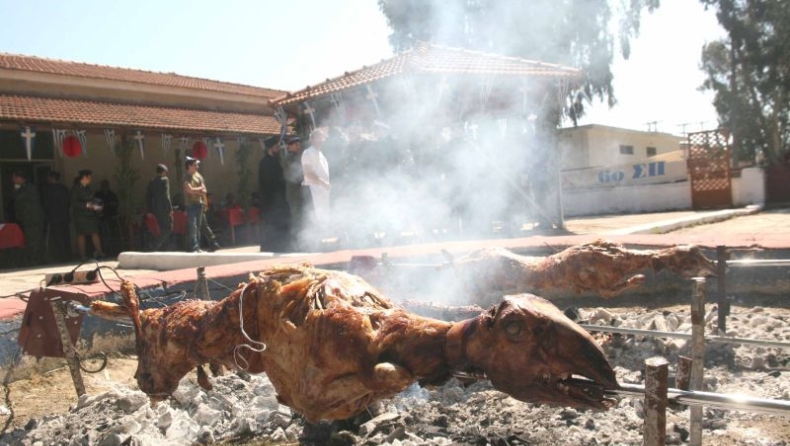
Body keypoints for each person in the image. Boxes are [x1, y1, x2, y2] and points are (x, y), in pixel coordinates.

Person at [258, 136, 290, 252]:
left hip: (278, 200)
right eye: (276, 147)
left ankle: (281, 246)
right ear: (270, 149)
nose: (278, 149)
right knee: (270, 227)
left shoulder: (275, 161)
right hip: (270, 202)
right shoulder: (265, 162)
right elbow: (270, 181)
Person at [70, 169, 106, 261]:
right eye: (89, 177)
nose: (91, 179)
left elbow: (91, 199)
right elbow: (73, 202)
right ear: (84, 177)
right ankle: (83, 255)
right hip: (80, 215)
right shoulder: (76, 188)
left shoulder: (88, 188)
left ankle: (100, 252)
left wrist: (97, 206)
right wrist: (86, 205)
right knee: (81, 235)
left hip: (90, 214)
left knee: (94, 232)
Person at [11, 171, 45, 265]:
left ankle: (36, 260)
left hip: (32, 219)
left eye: (14, 177)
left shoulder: (29, 188)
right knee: (29, 240)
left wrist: (16, 189)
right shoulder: (25, 188)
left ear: (20, 178)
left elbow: (18, 198)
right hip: (27, 220)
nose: (13, 180)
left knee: (34, 240)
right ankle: (33, 259)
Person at [283, 136, 311, 247]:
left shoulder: (300, 157)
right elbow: (294, 175)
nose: (299, 146)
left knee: (305, 217)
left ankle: (305, 241)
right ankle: (296, 243)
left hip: (302, 193)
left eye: (299, 144)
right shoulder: (288, 159)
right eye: (296, 145)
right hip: (294, 194)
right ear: (290, 146)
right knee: (297, 218)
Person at [301, 128, 331, 226]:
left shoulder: (322, 155)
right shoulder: (308, 153)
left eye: (322, 137)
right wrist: (323, 183)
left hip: (322, 193)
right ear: (312, 139)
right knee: (314, 222)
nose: (321, 140)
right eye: (318, 137)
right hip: (313, 192)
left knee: (324, 220)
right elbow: (308, 174)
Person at [43, 171, 71, 262]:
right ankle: (67, 255)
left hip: (54, 217)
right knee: (65, 236)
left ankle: (60, 256)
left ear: (52, 178)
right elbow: (68, 202)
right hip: (64, 216)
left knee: (57, 238)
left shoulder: (48, 190)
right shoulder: (64, 189)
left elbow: (46, 204)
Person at [183, 157, 207, 253]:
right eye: (195, 165)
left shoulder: (199, 176)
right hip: (191, 205)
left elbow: (204, 190)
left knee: (198, 227)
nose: (197, 167)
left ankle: (198, 248)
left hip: (199, 204)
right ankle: (193, 247)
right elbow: (189, 190)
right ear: (189, 166)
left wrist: (195, 190)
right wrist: (199, 190)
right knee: (193, 227)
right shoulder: (186, 177)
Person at [146, 164, 173, 251]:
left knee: (161, 228)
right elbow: (166, 196)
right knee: (168, 228)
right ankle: (155, 244)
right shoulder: (165, 180)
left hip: (155, 208)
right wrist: (170, 209)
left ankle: (164, 248)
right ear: (164, 171)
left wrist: (149, 210)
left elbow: (148, 196)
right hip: (164, 208)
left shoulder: (152, 181)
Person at [94, 179, 120, 254]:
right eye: (104, 185)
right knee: (103, 235)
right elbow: (96, 207)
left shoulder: (112, 195)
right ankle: (105, 250)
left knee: (113, 235)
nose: (105, 187)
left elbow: (116, 204)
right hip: (102, 218)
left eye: (106, 185)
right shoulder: (98, 195)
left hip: (112, 218)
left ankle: (114, 250)